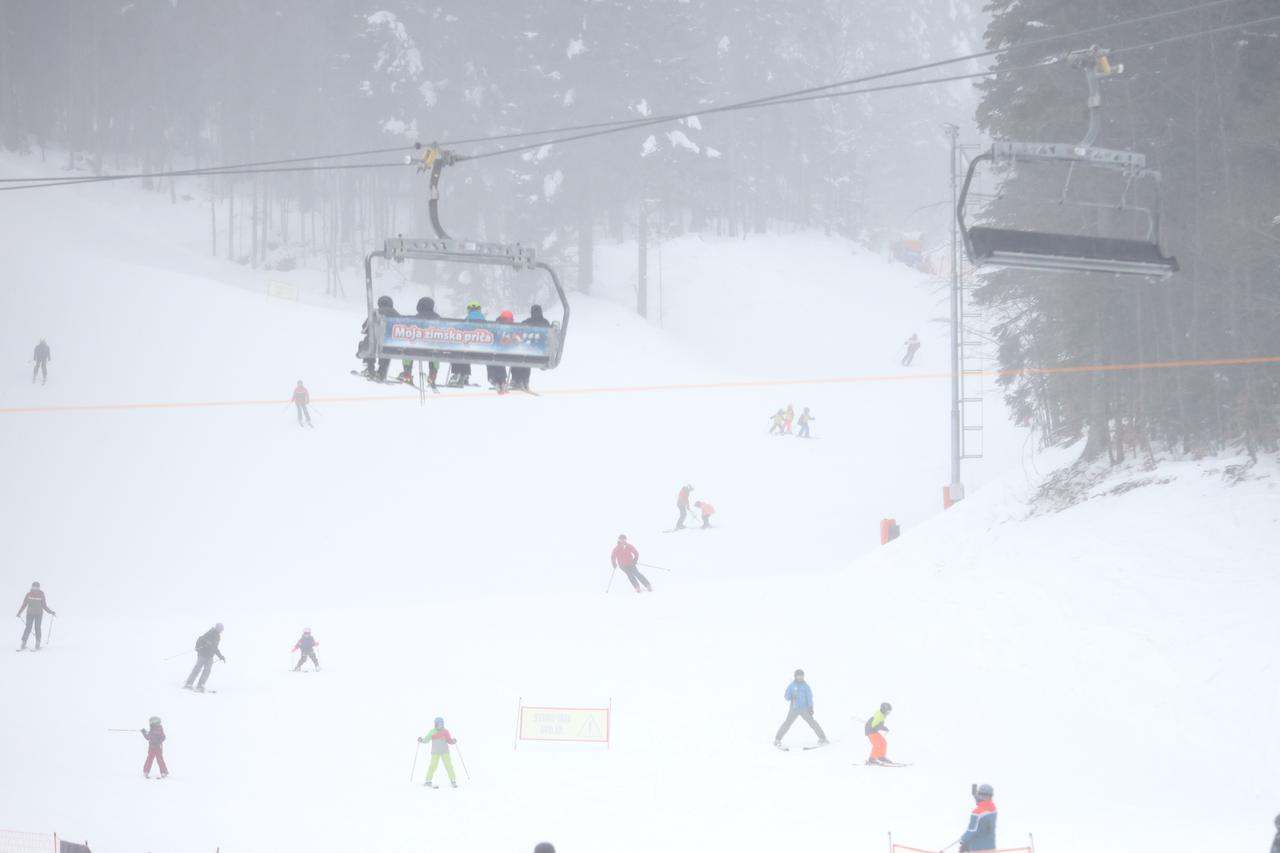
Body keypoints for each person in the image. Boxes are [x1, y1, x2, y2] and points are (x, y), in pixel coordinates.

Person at [773, 668, 828, 748]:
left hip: (804, 709)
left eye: (801, 676)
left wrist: (810, 707)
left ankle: (822, 738)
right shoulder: (791, 686)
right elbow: (786, 696)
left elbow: (809, 697)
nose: (800, 678)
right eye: (798, 676)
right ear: (795, 677)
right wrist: (791, 696)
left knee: (812, 723)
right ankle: (777, 739)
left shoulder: (806, 686)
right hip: (794, 708)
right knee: (787, 723)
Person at [399, 297, 441, 385]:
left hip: (415, 349)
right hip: (432, 349)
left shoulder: (415, 318)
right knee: (436, 350)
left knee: (407, 349)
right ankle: (433, 374)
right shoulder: (438, 318)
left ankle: (407, 372)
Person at [360, 296, 402, 380]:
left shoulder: (376, 312)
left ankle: (370, 368)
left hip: (374, 343)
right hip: (390, 344)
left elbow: (365, 326)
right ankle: (382, 372)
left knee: (368, 340)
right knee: (387, 347)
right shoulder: (395, 313)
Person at [511, 304, 551, 391]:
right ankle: (524, 381)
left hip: (529, 350)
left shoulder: (527, 322)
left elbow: (518, 329)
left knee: (519, 356)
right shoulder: (545, 322)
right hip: (541, 352)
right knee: (526, 358)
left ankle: (517, 380)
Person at [448, 301, 485, 387]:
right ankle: (465, 375)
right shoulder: (483, 319)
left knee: (458, 350)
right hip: (481, 348)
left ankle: (458, 374)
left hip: (469, 348)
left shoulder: (468, 319)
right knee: (464, 351)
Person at [184, 623, 226, 692]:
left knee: (207, 671)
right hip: (202, 655)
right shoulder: (210, 632)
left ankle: (201, 685)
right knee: (197, 669)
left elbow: (215, 648)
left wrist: (220, 656)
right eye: (221, 629)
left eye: (222, 630)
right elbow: (202, 639)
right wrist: (206, 642)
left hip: (210, 657)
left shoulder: (218, 636)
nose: (221, 631)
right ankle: (189, 683)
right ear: (217, 628)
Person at [418, 716, 458, 787]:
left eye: (441, 724)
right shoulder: (432, 732)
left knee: (448, 765)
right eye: (438, 724)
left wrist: (453, 741)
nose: (440, 726)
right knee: (433, 765)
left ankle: (453, 780)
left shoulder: (445, 731)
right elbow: (426, 739)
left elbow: (449, 740)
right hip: (435, 752)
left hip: (445, 751)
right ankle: (428, 780)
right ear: (435, 724)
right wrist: (422, 740)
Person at [16, 581, 56, 651]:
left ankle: (37, 643)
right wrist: (19, 612)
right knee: (28, 627)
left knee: (37, 628)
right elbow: (24, 604)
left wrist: (50, 612)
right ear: (32, 587)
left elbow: (44, 605)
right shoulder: (29, 594)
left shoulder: (41, 594)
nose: (35, 589)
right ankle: (23, 643)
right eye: (34, 587)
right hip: (30, 614)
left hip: (39, 614)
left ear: (39, 588)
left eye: (36, 587)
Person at [959, 783, 998, 852]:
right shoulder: (993, 809)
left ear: (981, 795)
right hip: (990, 846)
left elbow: (971, 831)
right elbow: (983, 802)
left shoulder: (977, 813)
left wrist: (962, 840)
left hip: (977, 847)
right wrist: (975, 794)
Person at [487, 309, 515, 391]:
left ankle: (501, 380)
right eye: (507, 319)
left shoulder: (512, 327)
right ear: (503, 318)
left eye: (511, 319)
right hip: (496, 350)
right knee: (493, 359)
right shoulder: (496, 326)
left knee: (498, 360)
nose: (509, 321)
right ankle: (495, 379)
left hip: (504, 350)